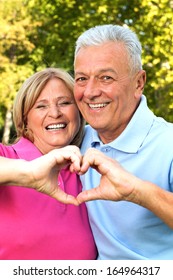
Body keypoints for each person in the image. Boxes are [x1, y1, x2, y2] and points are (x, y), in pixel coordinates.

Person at [73, 24, 173, 260]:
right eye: (81, 78)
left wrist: (137, 191)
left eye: (105, 78)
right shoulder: (75, 139)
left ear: (139, 83)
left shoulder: (168, 143)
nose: (90, 92)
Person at [0, 67, 97, 260]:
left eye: (65, 103)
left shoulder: (86, 169)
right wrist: (30, 172)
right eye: (41, 106)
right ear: (24, 117)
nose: (55, 113)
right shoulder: (7, 157)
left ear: (79, 113)